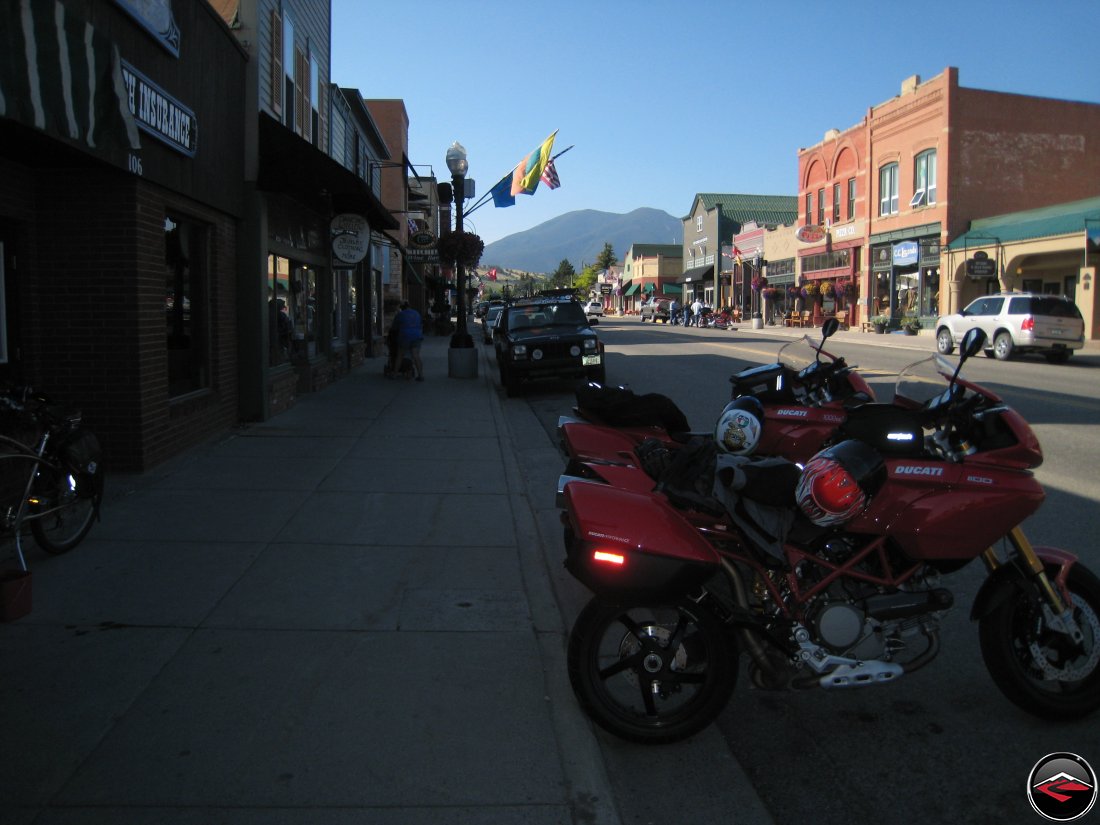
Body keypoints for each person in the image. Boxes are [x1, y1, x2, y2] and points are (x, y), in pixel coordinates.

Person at [392, 301, 425, 381]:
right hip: (417, 335)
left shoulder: (400, 315)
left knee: (400, 355)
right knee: (416, 355)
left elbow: (394, 327)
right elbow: (420, 324)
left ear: (401, 308)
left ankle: (395, 374)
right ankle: (420, 375)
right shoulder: (416, 313)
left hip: (405, 336)